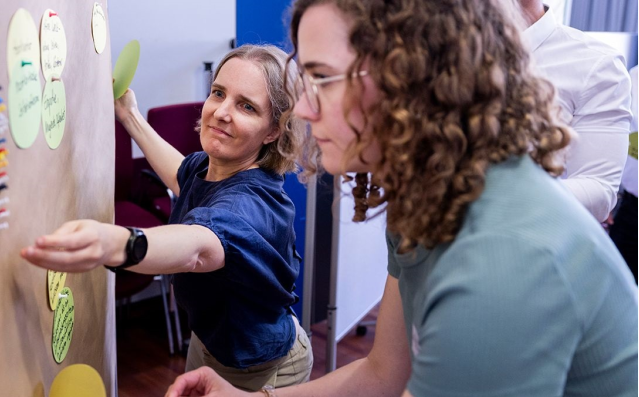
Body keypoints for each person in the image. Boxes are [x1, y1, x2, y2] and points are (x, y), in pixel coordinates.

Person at [167, 1, 638, 396]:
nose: (306, 110)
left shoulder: (501, 262)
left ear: (410, 83)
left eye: (324, 79)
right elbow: (384, 372)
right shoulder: (426, 205)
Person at [21, 44, 313, 391]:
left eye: (246, 106)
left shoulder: (248, 207)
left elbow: (196, 247)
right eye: (218, 93)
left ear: (272, 131)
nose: (221, 112)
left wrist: (114, 243)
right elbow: (180, 172)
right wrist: (130, 115)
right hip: (209, 341)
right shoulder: (214, 167)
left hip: (253, 362)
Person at [518, 0, 632, 222]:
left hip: (528, 237)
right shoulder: (439, 50)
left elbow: (598, 188)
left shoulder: (594, 63)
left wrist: (497, 200)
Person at [609, 64, 638, 281]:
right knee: (617, 279)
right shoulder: (634, 76)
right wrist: (607, 198)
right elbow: (616, 136)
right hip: (630, 206)